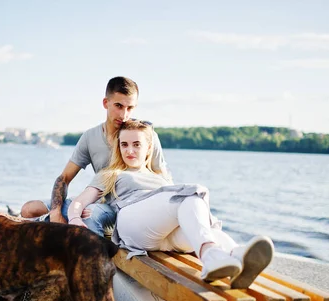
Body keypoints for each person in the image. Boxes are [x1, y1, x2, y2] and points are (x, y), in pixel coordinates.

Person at [67, 119, 274, 288]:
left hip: (164, 237)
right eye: (125, 144)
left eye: (136, 144)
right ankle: (213, 255)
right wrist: (75, 218)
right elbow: (80, 201)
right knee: (191, 193)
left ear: (148, 148)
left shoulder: (160, 177)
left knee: (196, 212)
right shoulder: (112, 173)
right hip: (134, 223)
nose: (129, 150)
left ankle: (236, 256)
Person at [19, 76, 171, 237]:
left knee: (89, 213)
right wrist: (56, 212)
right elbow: (64, 178)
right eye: (118, 106)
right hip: (96, 201)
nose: (124, 115)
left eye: (130, 108)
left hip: (126, 208)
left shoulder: (144, 136)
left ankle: (98, 256)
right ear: (106, 103)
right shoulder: (90, 137)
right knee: (29, 210)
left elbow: (163, 177)